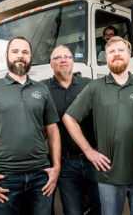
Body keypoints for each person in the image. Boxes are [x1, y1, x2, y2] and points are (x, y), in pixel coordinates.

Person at [62, 36, 133, 215]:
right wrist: (88, 151)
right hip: (108, 175)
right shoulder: (95, 88)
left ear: (129, 54)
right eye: (111, 52)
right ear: (106, 58)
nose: (116, 55)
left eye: (120, 50)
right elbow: (69, 118)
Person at [0, 36, 61, 215]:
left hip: (40, 176)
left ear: (30, 58)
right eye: (15, 51)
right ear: (6, 56)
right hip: (5, 178)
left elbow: (52, 129)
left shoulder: (42, 90)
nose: (20, 56)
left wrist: (56, 168)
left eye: (25, 52)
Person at [42, 45, 100, 215]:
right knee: (72, 211)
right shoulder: (42, 89)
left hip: (94, 162)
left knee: (101, 209)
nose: (63, 60)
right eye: (58, 58)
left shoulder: (89, 85)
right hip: (65, 164)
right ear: (50, 64)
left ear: (73, 62)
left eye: (67, 57)